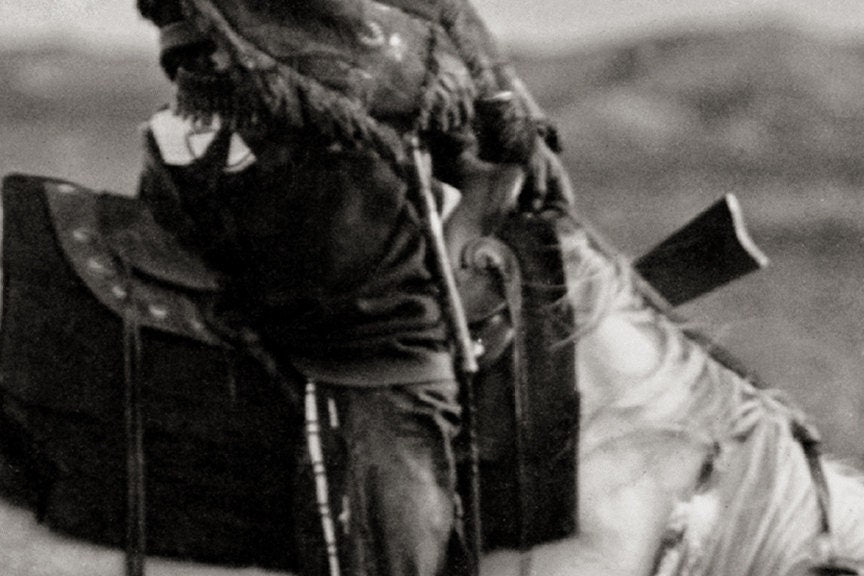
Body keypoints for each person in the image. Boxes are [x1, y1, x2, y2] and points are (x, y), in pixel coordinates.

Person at [136, 1, 573, 575]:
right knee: (388, 334)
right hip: (276, 126)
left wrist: (505, 110)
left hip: (326, 124)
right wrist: (473, 102)